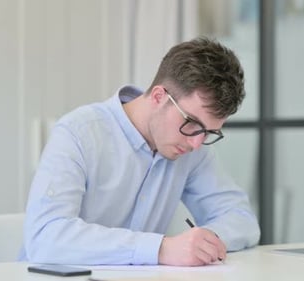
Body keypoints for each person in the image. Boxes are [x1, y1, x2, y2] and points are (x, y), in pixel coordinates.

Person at [20, 37, 260, 266]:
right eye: (192, 123)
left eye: (208, 132)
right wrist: (160, 249)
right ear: (158, 96)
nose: (197, 143)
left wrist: (205, 241)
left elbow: (242, 219)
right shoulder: (79, 133)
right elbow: (45, 237)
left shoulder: (191, 147)